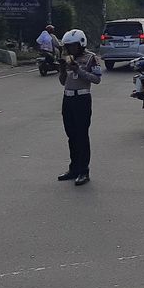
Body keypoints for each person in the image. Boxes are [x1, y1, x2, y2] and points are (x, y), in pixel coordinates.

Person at [56, 28, 102, 186]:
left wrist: (79, 70)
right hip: (67, 99)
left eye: (73, 46)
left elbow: (96, 79)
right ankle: (73, 168)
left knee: (82, 136)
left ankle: (84, 171)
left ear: (81, 44)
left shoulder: (91, 58)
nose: (70, 49)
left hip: (82, 99)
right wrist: (62, 69)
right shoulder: (68, 59)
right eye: (68, 46)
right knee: (71, 135)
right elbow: (63, 82)